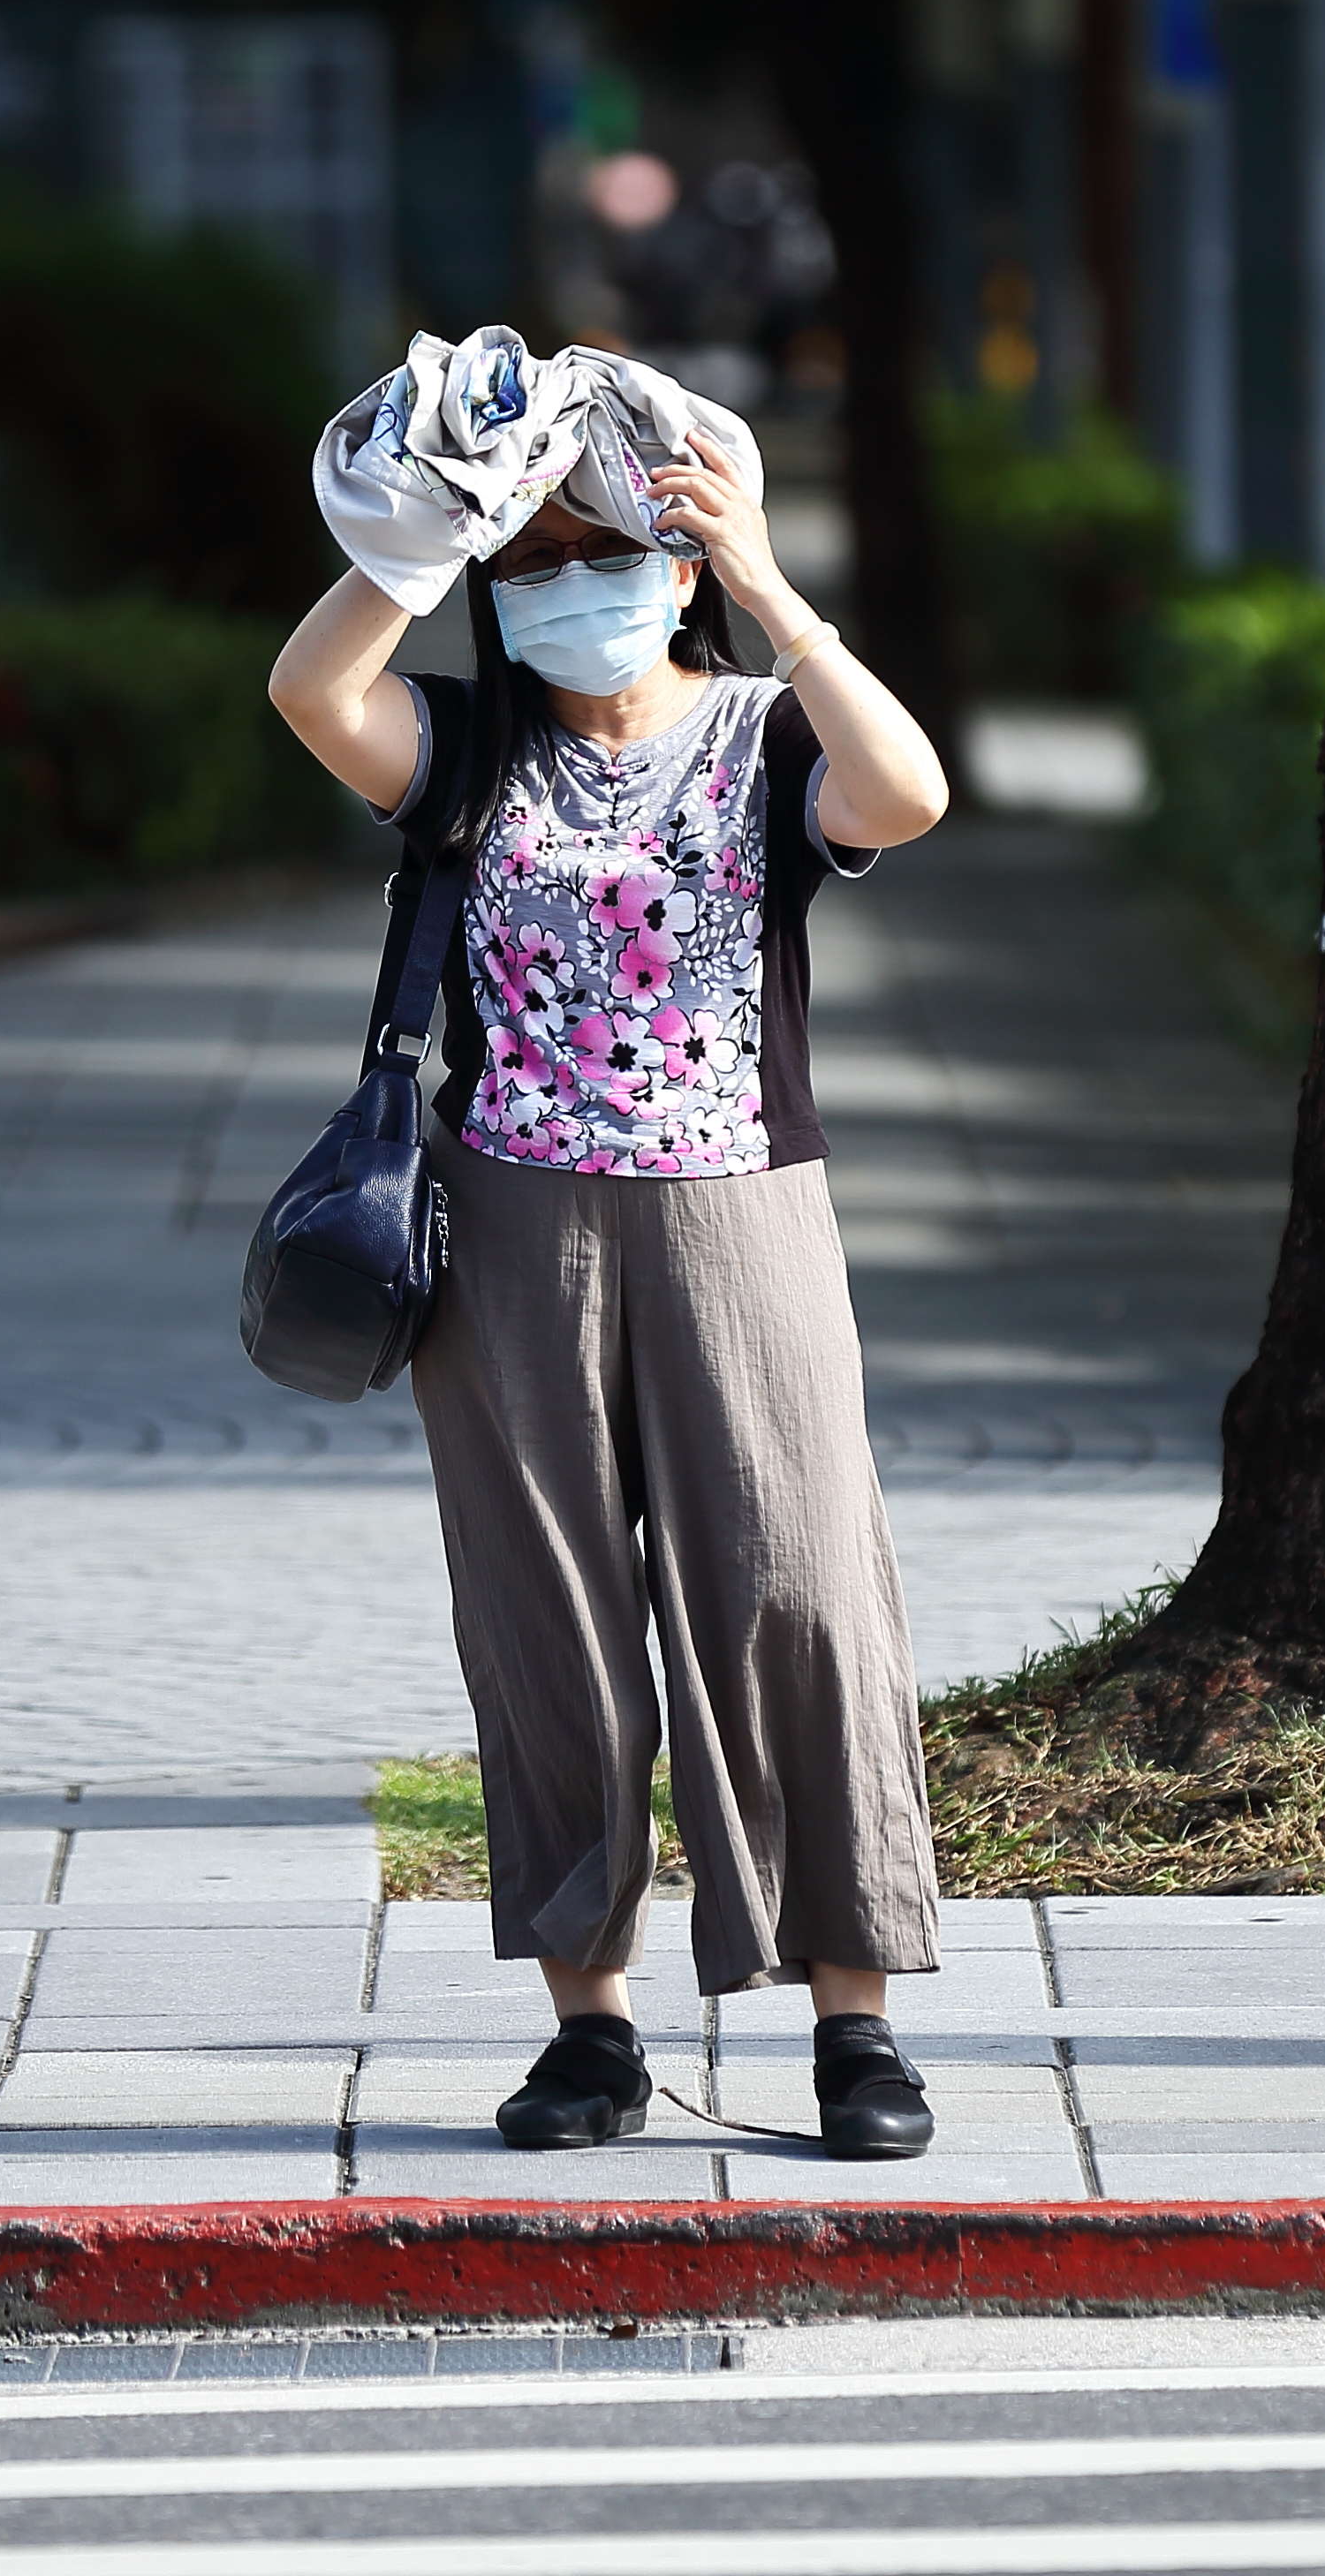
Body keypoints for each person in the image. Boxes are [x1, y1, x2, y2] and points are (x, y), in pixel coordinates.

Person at [268, 422, 958, 2159]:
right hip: (511, 1229)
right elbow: (309, 689)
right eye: (543, 567)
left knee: (801, 1597)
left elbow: (911, 793)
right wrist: (426, 540)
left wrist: (771, 584)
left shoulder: (762, 732)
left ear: (676, 569)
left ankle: (853, 2021)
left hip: (746, 1213)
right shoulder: (467, 745)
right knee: (550, 1621)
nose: (582, 591)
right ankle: (592, 2028)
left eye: (612, 555)